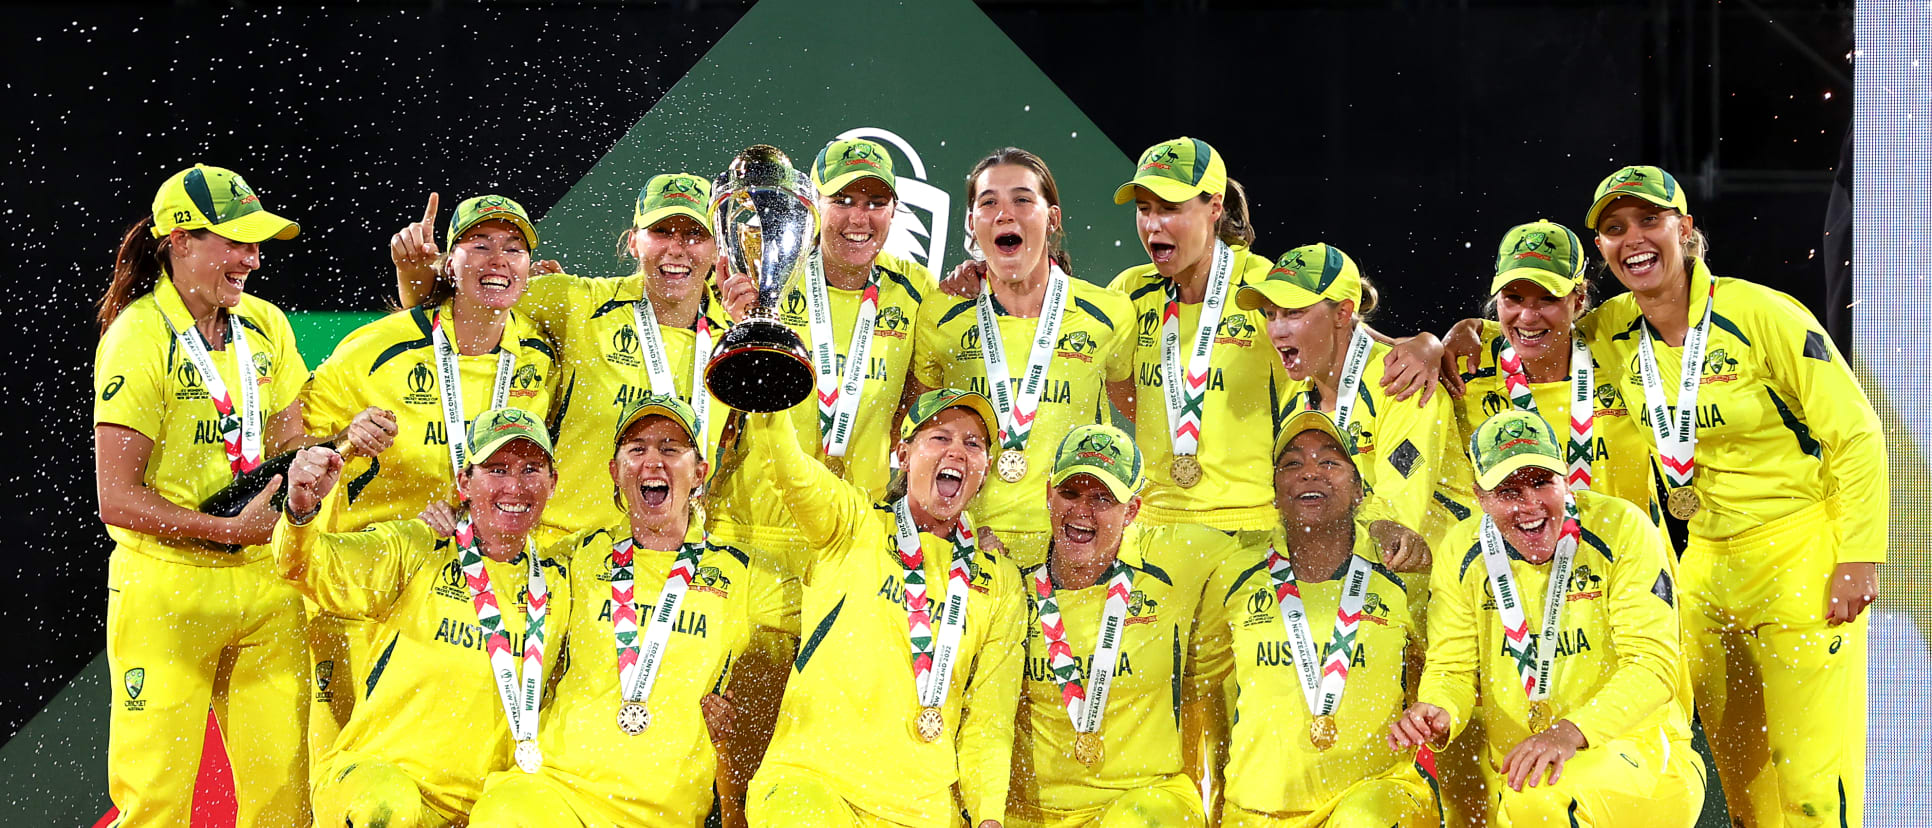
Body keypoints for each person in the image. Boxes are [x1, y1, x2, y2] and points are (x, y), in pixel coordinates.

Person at [1582, 165, 1884, 826]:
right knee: (1746, 792)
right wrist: (1438, 343)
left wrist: (1859, 555)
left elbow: (1857, 432)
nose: (1632, 238)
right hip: (1706, 569)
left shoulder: (1760, 313)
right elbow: (1521, 338)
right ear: (1602, 251)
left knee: (1811, 779)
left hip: (1800, 554)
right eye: (1613, 228)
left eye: (1648, 220)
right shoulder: (1608, 333)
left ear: (1685, 230)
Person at [308, 193, 560, 779]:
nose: (499, 259)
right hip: (369, 594)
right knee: (339, 781)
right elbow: (291, 439)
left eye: (514, 248)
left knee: (456, 775)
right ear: (448, 262)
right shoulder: (379, 348)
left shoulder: (539, 356)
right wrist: (346, 439)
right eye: (480, 245)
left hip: (466, 596)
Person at [93, 163, 312, 826]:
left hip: (267, 586)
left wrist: (329, 454)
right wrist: (226, 531)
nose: (252, 257)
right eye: (236, 241)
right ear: (181, 240)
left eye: (256, 242)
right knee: (156, 806)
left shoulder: (265, 324)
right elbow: (116, 499)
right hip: (168, 592)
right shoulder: (138, 336)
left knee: (284, 801)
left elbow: (288, 442)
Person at [467, 394, 797, 827]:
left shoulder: (745, 574)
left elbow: (835, 623)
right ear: (615, 470)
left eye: (670, 448)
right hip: (557, 789)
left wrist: (743, 710)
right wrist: (454, 521)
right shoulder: (580, 555)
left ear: (700, 472)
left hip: (665, 810)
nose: (652, 461)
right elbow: (496, 562)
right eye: (637, 449)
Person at [1391, 409, 1703, 827]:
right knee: (1530, 798)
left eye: (1542, 482)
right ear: (1479, 496)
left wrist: (1568, 733)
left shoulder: (1622, 528)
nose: (1530, 505)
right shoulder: (1459, 551)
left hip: (1642, 758)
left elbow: (1653, 666)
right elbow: (1451, 669)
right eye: (1508, 492)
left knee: (1538, 799)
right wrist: (1440, 708)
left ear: (1566, 479)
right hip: (1528, 771)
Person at [740, 388, 1025, 828]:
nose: (958, 452)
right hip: (814, 784)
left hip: (922, 807)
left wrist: (987, 815)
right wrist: (768, 388)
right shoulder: (854, 524)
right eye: (940, 438)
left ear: (985, 470)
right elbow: (789, 471)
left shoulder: (1000, 581)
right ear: (904, 454)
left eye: (973, 444)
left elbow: (990, 717)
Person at [274, 407, 571, 826]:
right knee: (388, 808)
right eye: (497, 469)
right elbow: (309, 568)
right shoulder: (419, 546)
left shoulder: (564, 579)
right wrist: (302, 510)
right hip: (380, 781)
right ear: (464, 482)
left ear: (552, 483)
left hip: (488, 804)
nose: (514, 486)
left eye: (531, 469)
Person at [1195, 410, 1434, 827]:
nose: (1310, 473)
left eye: (1329, 462)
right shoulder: (1234, 575)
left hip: (1373, 797)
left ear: (1360, 490)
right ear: (1273, 491)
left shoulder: (1401, 574)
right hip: (1258, 808)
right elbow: (1196, 682)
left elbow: (1449, 673)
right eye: (1292, 463)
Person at [911, 147, 1135, 569]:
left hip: (1071, 541)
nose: (1004, 213)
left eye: (1022, 199)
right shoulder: (941, 314)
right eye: (988, 202)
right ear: (972, 224)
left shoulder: (1110, 313)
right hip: (967, 540)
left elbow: (1137, 408)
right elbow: (920, 433)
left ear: (1052, 218)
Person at [1006, 424, 1210, 828]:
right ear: (1048, 493)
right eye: (1070, 493)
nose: (1082, 510)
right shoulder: (1009, 577)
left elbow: (1274, 547)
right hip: (1032, 812)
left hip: (1144, 800)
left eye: (1103, 498)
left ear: (1132, 510)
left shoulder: (1177, 563)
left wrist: (1373, 529)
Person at [1238, 242, 1473, 569]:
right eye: (1271, 314)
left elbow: (1397, 512)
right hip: (1357, 578)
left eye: (1294, 312)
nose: (1277, 330)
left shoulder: (1403, 380)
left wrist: (1380, 526)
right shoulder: (1294, 397)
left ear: (1343, 313)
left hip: (1443, 580)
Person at [1448, 220, 1655, 519]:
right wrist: (1427, 344)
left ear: (1579, 300)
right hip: (1520, 563)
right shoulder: (1466, 374)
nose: (1528, 316)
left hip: (1629, 558)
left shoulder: (1620, 357)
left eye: (1548, 299)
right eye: (1514, 298)